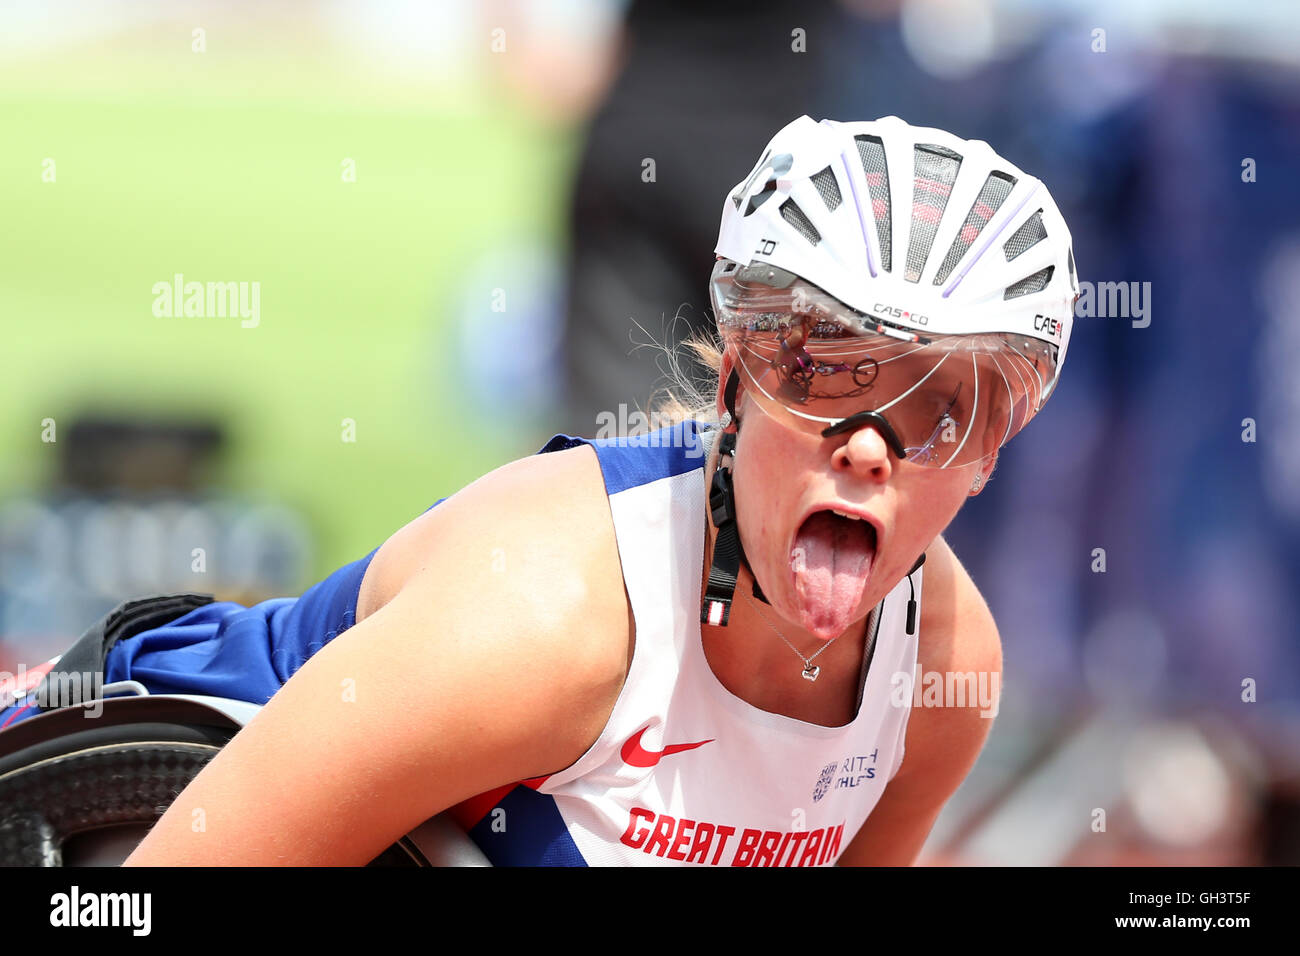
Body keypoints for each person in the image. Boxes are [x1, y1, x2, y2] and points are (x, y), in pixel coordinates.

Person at [2, 115, 1078, 866]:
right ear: (735, 377)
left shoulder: (939, 675)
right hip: (120, 799)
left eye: (946, 412)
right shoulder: (544, 620)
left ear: (995, 455)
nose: (867, 448)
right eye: (820, 370)